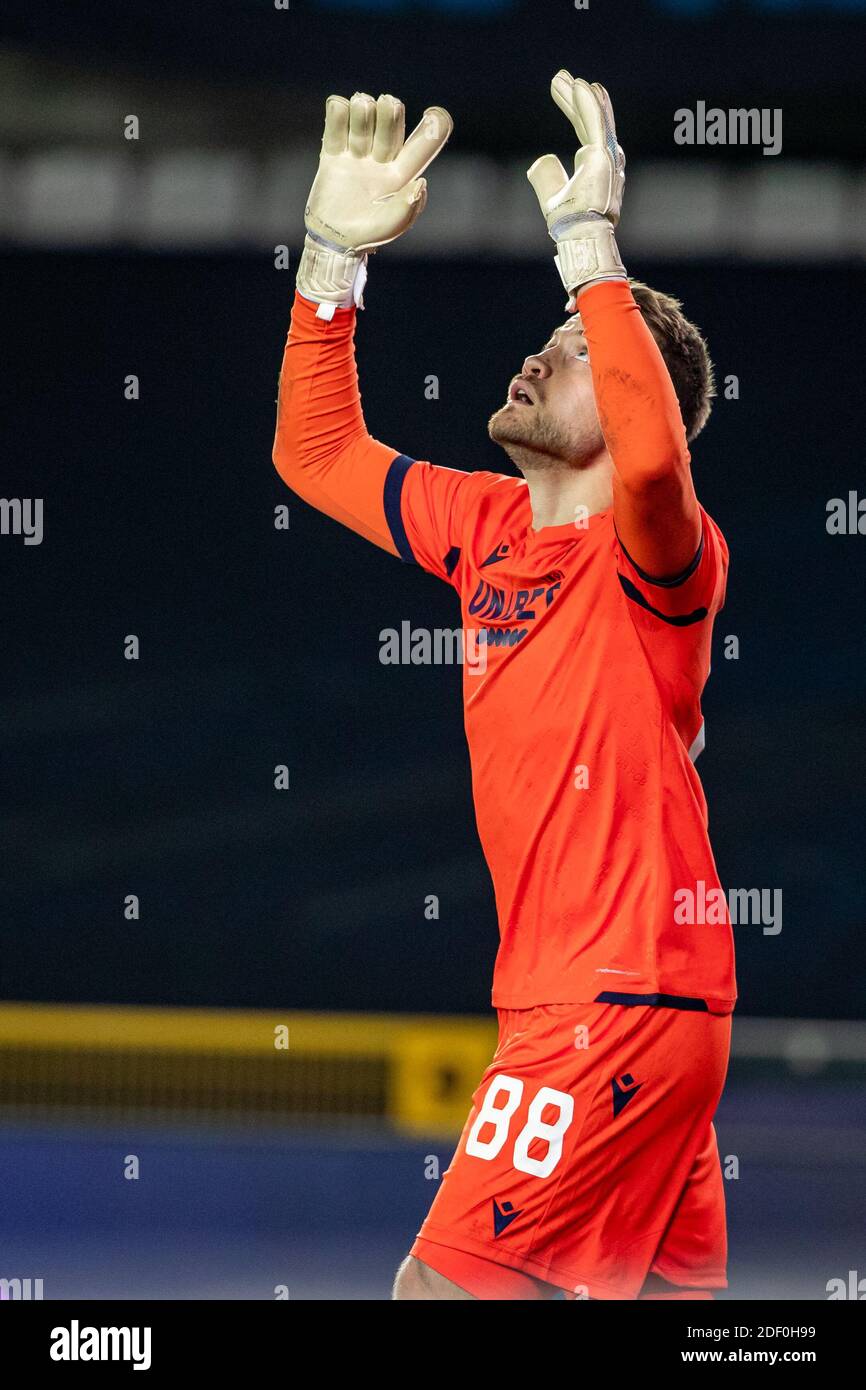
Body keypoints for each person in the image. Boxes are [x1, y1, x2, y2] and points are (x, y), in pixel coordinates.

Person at [273, 73, 735, 1301]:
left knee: (436, 1293)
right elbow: (314, 453)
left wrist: (589, 254)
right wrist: (329, 262)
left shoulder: (661, 557)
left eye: (576, 351)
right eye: (552, 336)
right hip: (624, 1005)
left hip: (609, 1001)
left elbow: (650, 459)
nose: (541, 350)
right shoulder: (485, 528)